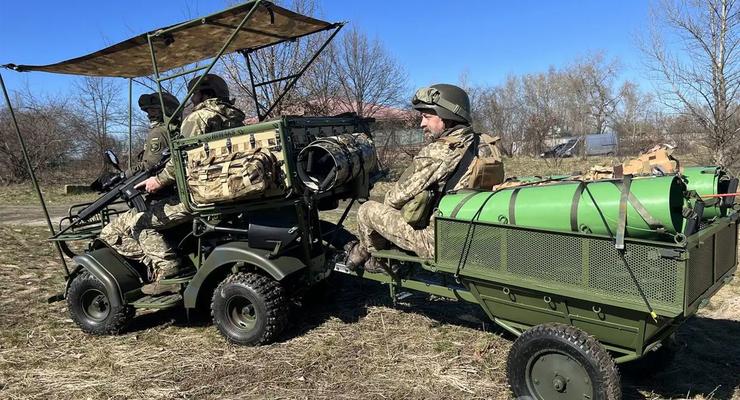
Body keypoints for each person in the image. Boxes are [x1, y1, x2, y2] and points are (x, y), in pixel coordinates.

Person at [121, 74, 244, 295]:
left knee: (141, 222)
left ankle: (171, 273)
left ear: (204, 94)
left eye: (194, 94)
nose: (192, 99)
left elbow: (182, 161)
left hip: (202, 195)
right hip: (230, 188)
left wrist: (157, 181)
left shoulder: (197, 119)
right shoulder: (234, 117)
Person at [346, 84, 490, 272]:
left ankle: (377, 259)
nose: (422, 123)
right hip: (472, 235)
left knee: (367, 210)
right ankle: (364, 252)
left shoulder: (438, 151)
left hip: (437, 243)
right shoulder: (485, 143)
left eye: (427, 117)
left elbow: (394, 198)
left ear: (448, 117)